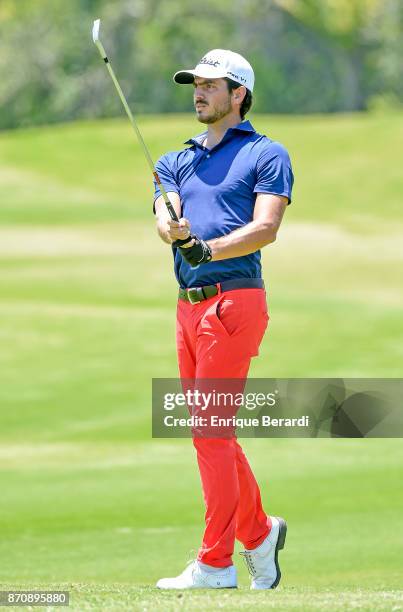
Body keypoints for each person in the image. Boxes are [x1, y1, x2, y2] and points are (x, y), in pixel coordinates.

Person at [153, 49, 294, 590]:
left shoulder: (266, 152)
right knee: (211, 433)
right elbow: (163, 215)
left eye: (212, 85)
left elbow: (266, 228)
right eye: (196, 83)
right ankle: (258, 533)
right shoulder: (174, 160)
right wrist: (173, 229)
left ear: (239, 94)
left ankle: (216, 563)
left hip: (235, 302)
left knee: (211, 433)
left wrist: (207, 248)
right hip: (187, 308)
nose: (199, 92)